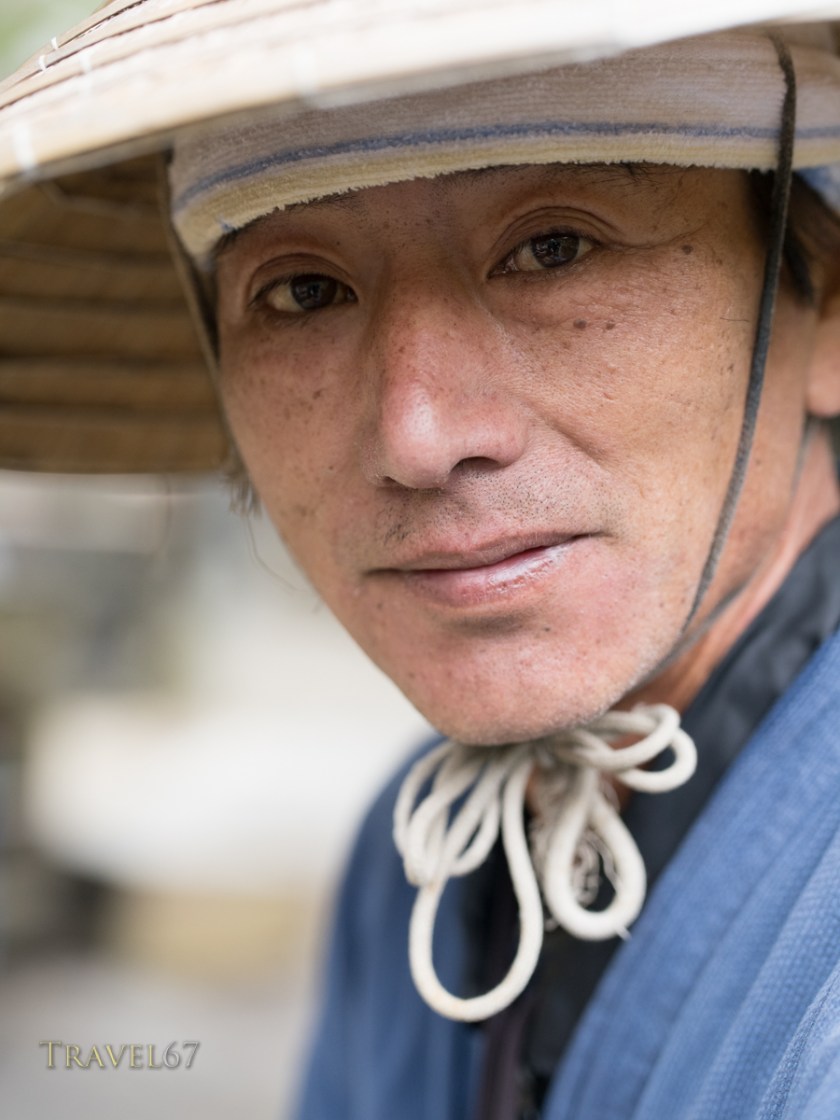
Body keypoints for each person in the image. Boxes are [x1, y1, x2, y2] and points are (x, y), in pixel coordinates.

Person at [2, 1, 840, 1116]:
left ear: (825, 304)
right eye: (303, 291)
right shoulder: (413, 866)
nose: (418, 435)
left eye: (555, 245)